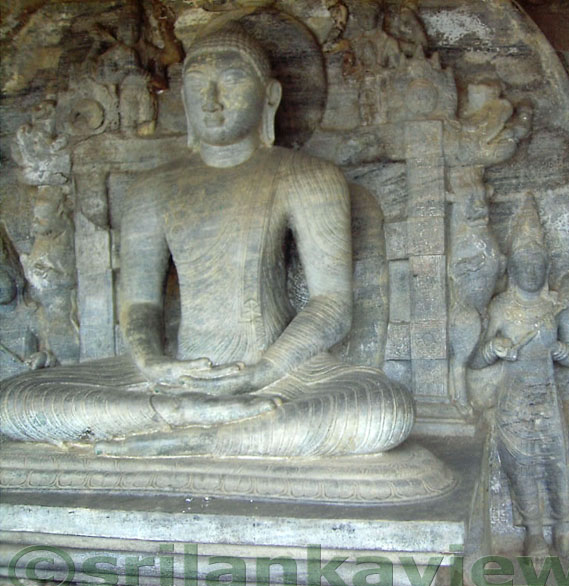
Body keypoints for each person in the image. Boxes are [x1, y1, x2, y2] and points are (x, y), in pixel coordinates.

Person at [0, 24, 414, 457]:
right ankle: (192, 417)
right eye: (198, 86)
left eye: (231, 81)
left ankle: (196, 435)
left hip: (280, 376)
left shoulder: (308, 176)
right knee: (15, 400)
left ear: (270, 96)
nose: (211, 101)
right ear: (183, 99)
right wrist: (153, 365)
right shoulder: (151, 189)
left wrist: (262, 371)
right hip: (173, 379)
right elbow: (140, 304)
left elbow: (331, 304)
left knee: (385, 410)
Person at [471, 199, 569, 558]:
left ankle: (563, 531)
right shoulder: (502, 307)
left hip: (547, 396)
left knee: (556, 463)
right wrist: (494, 348)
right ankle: (534, 534)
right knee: (522, 465)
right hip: (514, 400)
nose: (531, 270)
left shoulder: (557, 305)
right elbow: (475, 359)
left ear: (547, 266)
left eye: (538, 264)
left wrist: (559, 350)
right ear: (513, 267)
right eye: (524, 263)